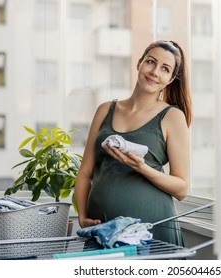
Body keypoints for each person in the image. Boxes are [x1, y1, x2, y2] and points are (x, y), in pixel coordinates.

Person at [74, 40, 192, 246]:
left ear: (171, 78)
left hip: (153, 231)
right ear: (139, 63)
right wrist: (82, 217)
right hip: (103, 230)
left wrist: (142, 168)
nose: (155, 72)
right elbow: (85, 172)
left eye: (165, 69)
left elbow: (181, 189)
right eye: (151, 62)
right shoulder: (105, 110)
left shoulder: (172, 117)